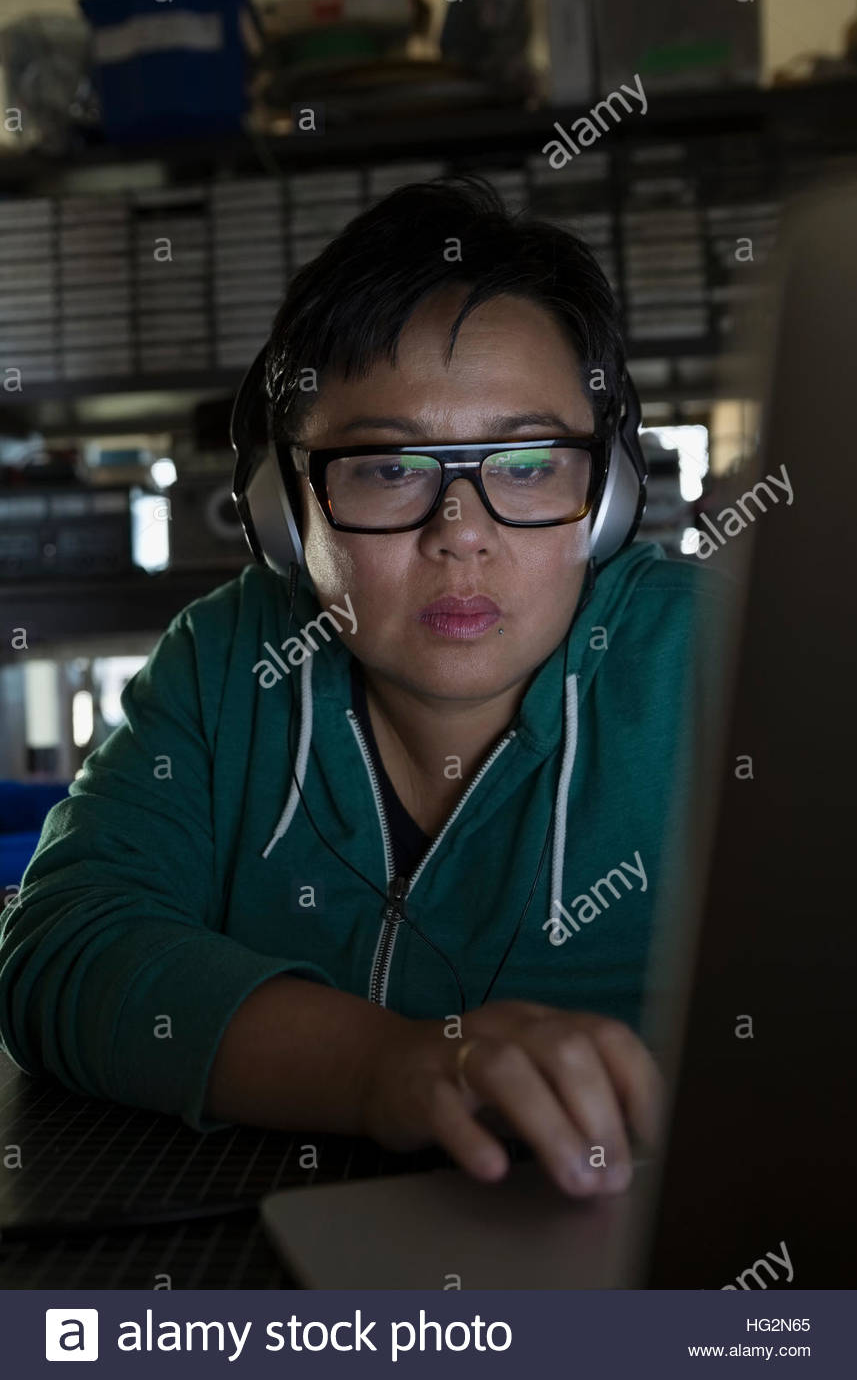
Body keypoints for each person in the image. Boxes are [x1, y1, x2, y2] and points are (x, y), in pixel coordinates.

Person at [0, 177, 729, 1199]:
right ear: (287, 511)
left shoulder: (721, 658)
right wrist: (387, 1066)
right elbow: (62, 949)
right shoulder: (227, 664)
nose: (459, 531)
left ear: (602, 500)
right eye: (387, 469)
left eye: (525, 462)